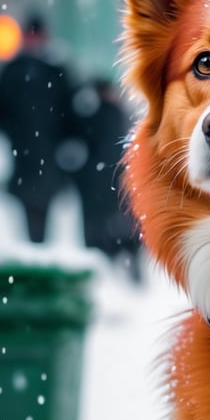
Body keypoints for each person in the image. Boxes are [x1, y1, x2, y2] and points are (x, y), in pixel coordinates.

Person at [0, 14, 75, 244]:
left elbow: (69, 114)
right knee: (30, 211)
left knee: (40, 210)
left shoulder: (52, 70)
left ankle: (37, 253)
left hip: (45, 154)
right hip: (28, 154)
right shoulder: (18, 70)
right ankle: (34, 252)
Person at [68, 77, 142, 280]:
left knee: (102, 236)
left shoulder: (93, 116)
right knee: (123, 232)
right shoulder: (116, 115)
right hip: (115, 183)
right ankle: (127, 272)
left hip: (100, 186)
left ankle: (110, 272)